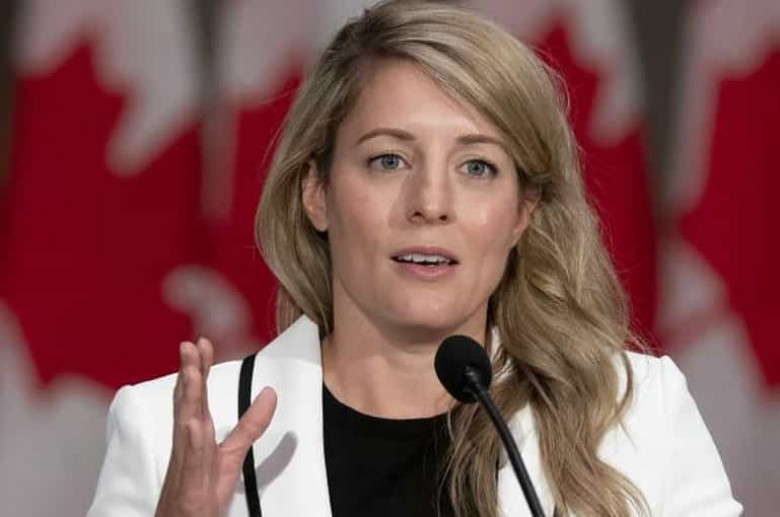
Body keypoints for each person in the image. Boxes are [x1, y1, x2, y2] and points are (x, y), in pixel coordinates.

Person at [87, 1, 742, 516]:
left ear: (523, 211)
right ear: (317, 192)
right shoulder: (172, 433)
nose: (430, 203)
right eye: (389, 160)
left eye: (477, 167)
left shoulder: (635, 414)